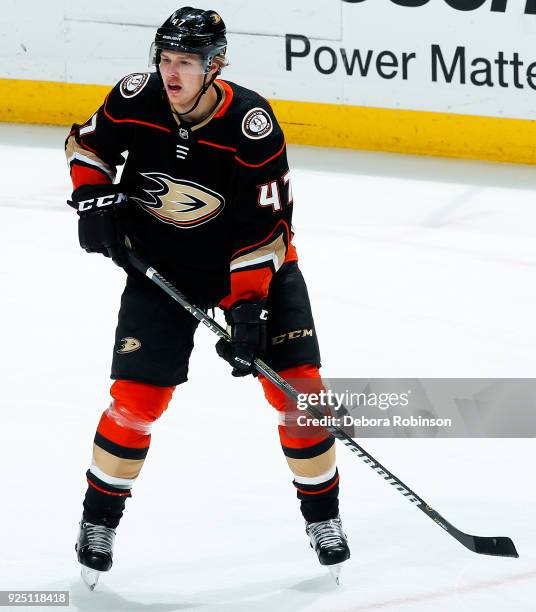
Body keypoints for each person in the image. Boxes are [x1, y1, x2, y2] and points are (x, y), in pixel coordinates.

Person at [65, 6, 350, 589]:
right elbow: (86, 146)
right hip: (162, 269)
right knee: (134, 402)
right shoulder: (134, 97)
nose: (171, 73)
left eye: (186, 63)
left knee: (301, 395)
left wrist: (248, 307)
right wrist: (92, 197)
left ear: (214, 66)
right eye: (166, 59)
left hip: (252, 269)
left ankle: (324, 519)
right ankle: (98, 524)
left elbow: (267, 228)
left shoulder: (253, 123)